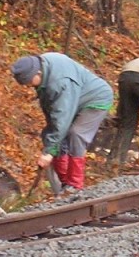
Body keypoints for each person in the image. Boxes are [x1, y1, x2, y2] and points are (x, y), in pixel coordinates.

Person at [10, 52, 113, 190]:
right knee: (53, 135)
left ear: (38, 73)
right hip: (74, 98)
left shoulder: (60, 83)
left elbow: (62, 118)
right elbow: (54, 117)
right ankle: (64, 183)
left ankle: (75, 185)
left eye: (28, 82)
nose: (28, 86)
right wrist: (51, 145)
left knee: (76, 134)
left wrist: (48, 153)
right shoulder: (44, 68)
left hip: (96, 99)